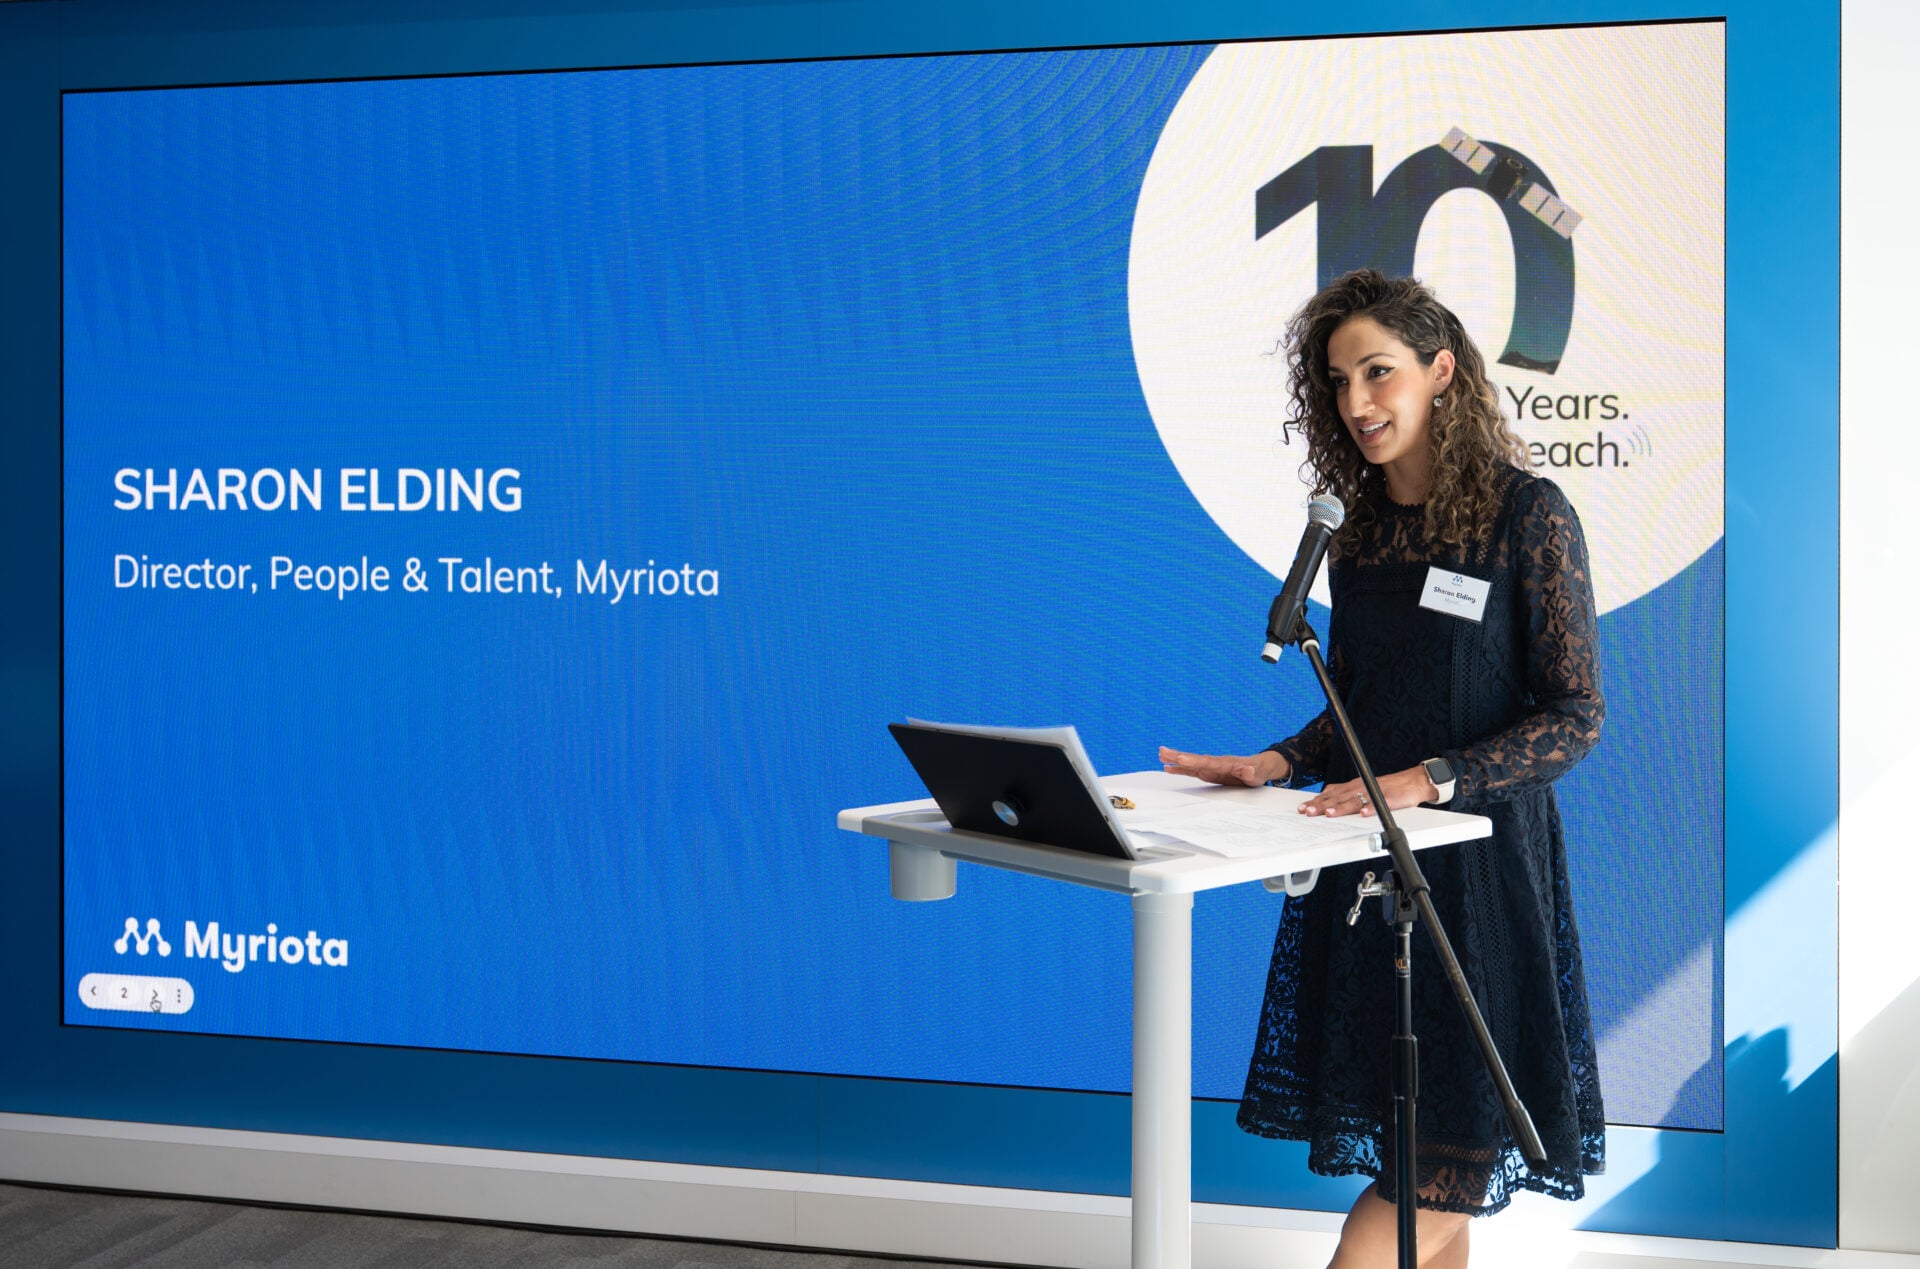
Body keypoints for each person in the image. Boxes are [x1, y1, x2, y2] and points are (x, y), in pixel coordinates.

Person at [1160, 270, 1605, 1268]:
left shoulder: (1527, 515)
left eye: (1378, 372)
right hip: (1372, 880)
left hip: (1478, 882)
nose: (1356, 401)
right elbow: (1364, 705)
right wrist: (1276, 759)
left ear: (1441, 372)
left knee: (1447, 1160)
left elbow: (1576, 716)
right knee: (1422, 1145)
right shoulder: (1355, 536)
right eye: (1338, 381)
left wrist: (1428, 778)